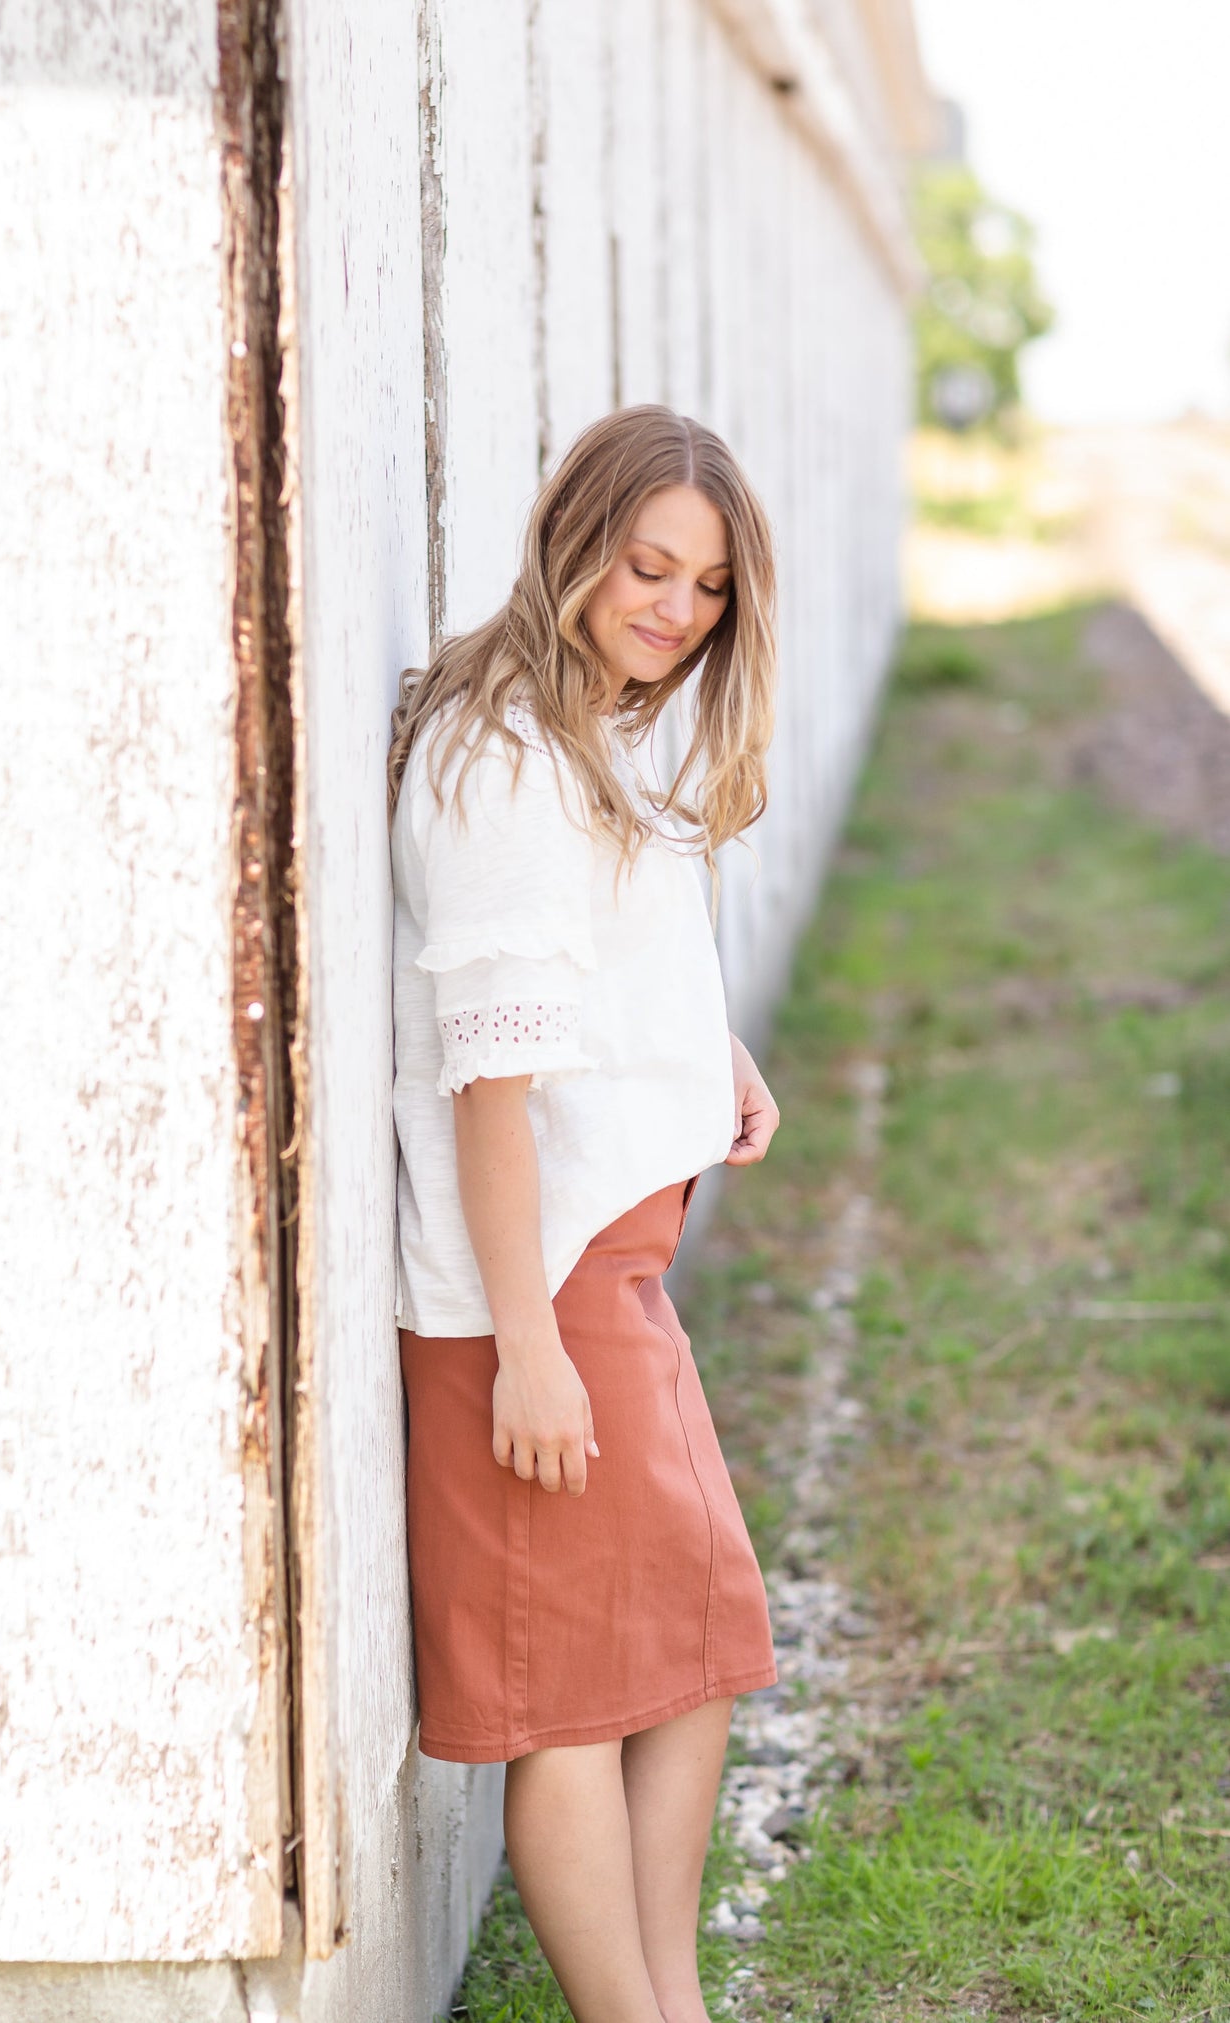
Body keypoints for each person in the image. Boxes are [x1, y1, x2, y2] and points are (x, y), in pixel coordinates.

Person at [387, 405, 780, 2023]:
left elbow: (579, 973)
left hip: (603, 1267)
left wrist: (711, 1050)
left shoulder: (573, 733)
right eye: (646, 567)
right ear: (577, 542)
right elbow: (491, 1085)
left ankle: (668, 2002)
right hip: (531, 1291)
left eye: (703, 588)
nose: (673, 610)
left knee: (694, 1646)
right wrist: (527, 1354)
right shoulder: (500, 762)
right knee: (565, 1701)